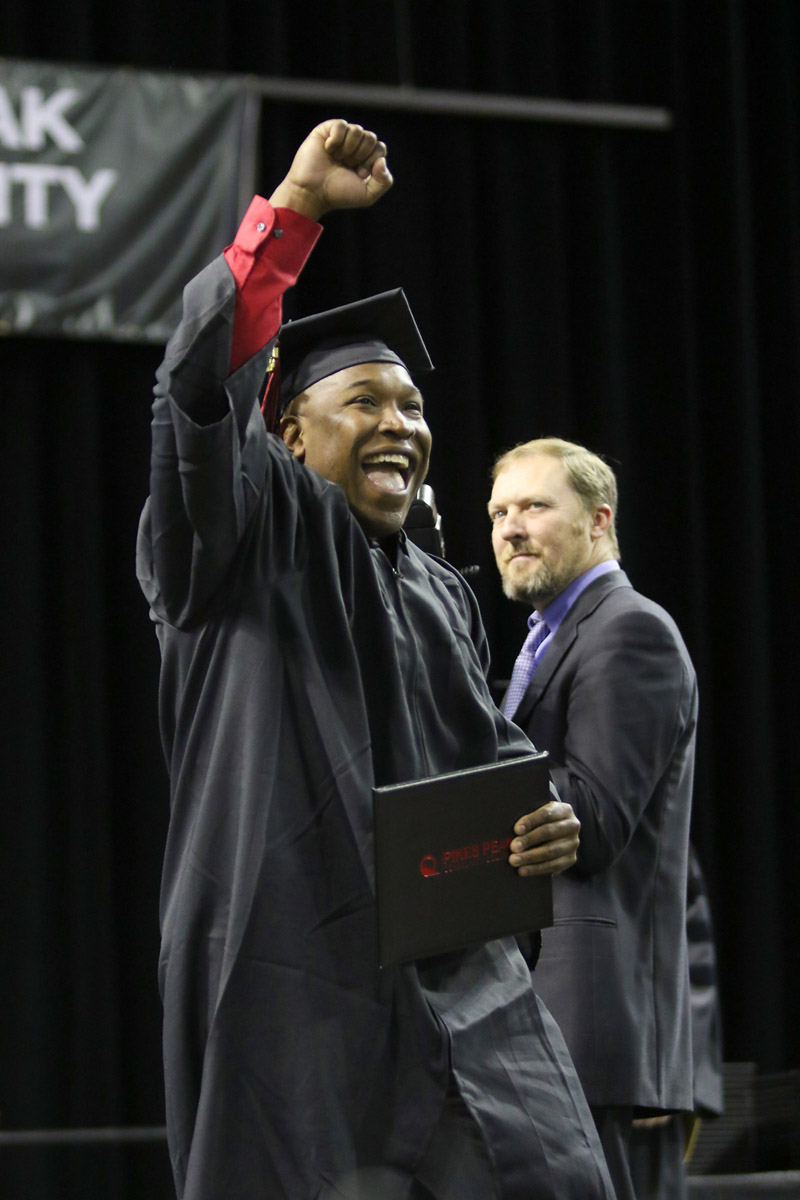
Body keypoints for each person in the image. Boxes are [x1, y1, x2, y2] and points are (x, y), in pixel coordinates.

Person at [137, 122, 616, 1200]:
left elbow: (494, 765)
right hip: (298, 981)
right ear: (289, 437)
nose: (399, 423)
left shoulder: (438, 589)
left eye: (411, 405)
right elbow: (193, 392)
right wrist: (294, 217)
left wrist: (542, 821)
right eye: (364, 402)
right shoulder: (246, 542)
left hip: (462, 986)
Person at [488, 438, 697, 1200]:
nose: (511, 528)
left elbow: (596, 816)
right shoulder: (546, 642)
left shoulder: (627, 630)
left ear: (598, 520)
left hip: (590, 1019)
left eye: (535, 507)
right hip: (541, 1010)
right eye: (499, 512)